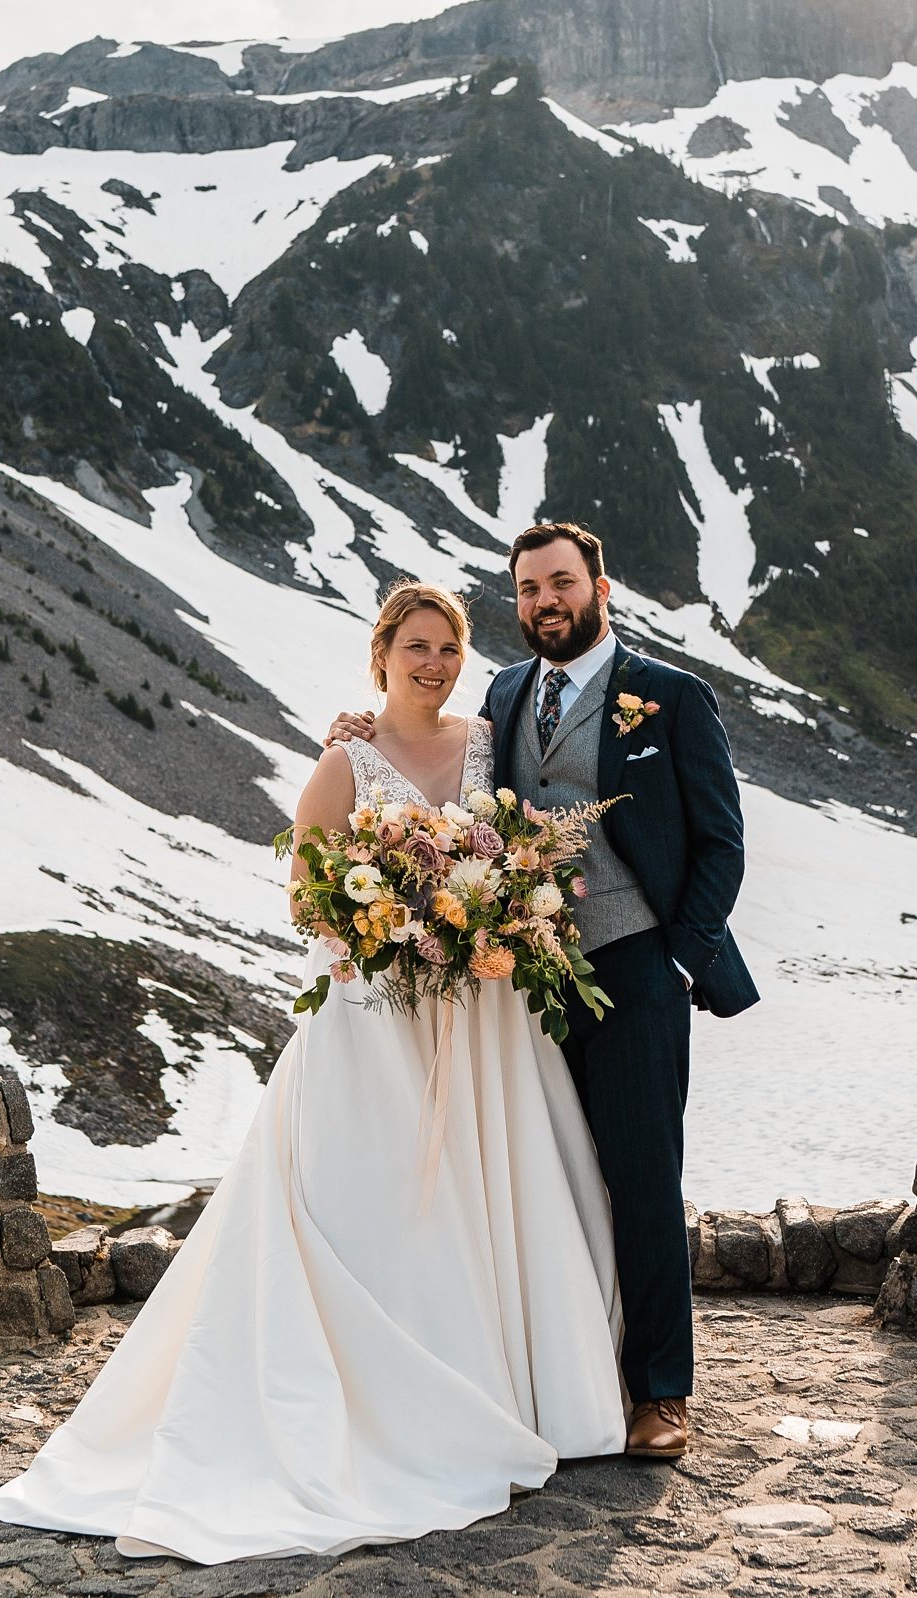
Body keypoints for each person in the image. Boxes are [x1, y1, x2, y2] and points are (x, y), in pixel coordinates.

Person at [0, 579, 626, 1567]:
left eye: (447, 645)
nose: (434, 662)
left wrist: (478, 914)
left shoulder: (484, 742)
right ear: (381, 654)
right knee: (370, 1198)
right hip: (373, 1020)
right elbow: (308, 903)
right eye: (415, 645)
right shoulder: (346, 759)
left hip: (480, 1017)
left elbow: (516, 851)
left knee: (486, 1189)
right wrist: (399, 929)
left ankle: (507, 1385)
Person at [327, 525, 758, 1458]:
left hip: (638, 967)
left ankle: (657, 1393)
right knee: (546, 1176)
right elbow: (436, 761)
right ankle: (563, 1373)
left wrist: (677, 960)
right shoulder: (504, 693)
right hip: (520, 980)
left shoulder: (671, 696)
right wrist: (364, 731)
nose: (543, 602)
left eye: (559, 583)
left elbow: (721, 842)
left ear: (599, 585)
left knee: (642, 1176)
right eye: (526, 590)